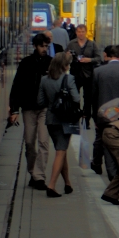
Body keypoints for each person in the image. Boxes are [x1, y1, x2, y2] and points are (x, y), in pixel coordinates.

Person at [8, 33, 53, 190]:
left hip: (45, 108)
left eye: (46, 46)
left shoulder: (50, 63)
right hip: (28, 107)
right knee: (29, 142)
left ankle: (39, 176)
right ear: (35, 46)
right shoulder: (26, 63)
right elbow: (17, 86)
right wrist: (14, 109)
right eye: (42, 46)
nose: (44, 49)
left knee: (43, 141)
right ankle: (33, 171)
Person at [36, 52, 81, 198]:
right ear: (65, 66)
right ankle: (52, 186)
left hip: (51, 120)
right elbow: (76, 98)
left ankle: (67, 183)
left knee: (61, 150)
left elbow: (40, 102)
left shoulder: (44, 80)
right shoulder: (69, 79)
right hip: (66, 119)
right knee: (60, 152)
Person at [90, 45, 119, 178]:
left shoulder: (98, 71)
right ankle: (115, 172)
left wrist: (94, 116)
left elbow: (93, 95)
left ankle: (101, 165)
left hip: (103, 113)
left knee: (102, 139)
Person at [66, 24, 101, 125]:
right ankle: (75, 115)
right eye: (79, 32)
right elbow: (64, 56)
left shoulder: (92, 44)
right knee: (74, 96)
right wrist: (68, 56)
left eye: (82, 32)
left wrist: (89, 60)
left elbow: (98, 58)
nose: (81, 34)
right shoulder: (72, 43)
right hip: (75, 73)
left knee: (88, 97)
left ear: (86, 32)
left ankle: (86, 118)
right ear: (76, 32)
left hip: (88, 74)